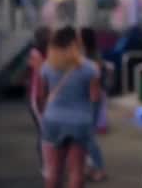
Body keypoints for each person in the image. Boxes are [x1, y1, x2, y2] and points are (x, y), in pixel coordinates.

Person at [39, 26, 100, 188]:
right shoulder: (90, 68)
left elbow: (42, 95)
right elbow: (94, 97)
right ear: (75, 43)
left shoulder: (47, 66)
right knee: (76, 172)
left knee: (53, 172)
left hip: (53, 120)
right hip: (79, 121)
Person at [79, 27, 108, 182]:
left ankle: (99, 167)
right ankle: (89, 167)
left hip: (92, 99)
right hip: (89, 98)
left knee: (88, 136)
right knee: (86, 135)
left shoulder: (92, 57)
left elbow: (94, 83)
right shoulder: (89, 55)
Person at [27, 26, 51, 175]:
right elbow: (42, 75)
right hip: (37, 97)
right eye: (50, 34)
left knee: (47, 132)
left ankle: (49, 164)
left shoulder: (47, 52)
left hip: (45, 96)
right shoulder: (36, 53)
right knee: (44, 132)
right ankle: (45, 166)